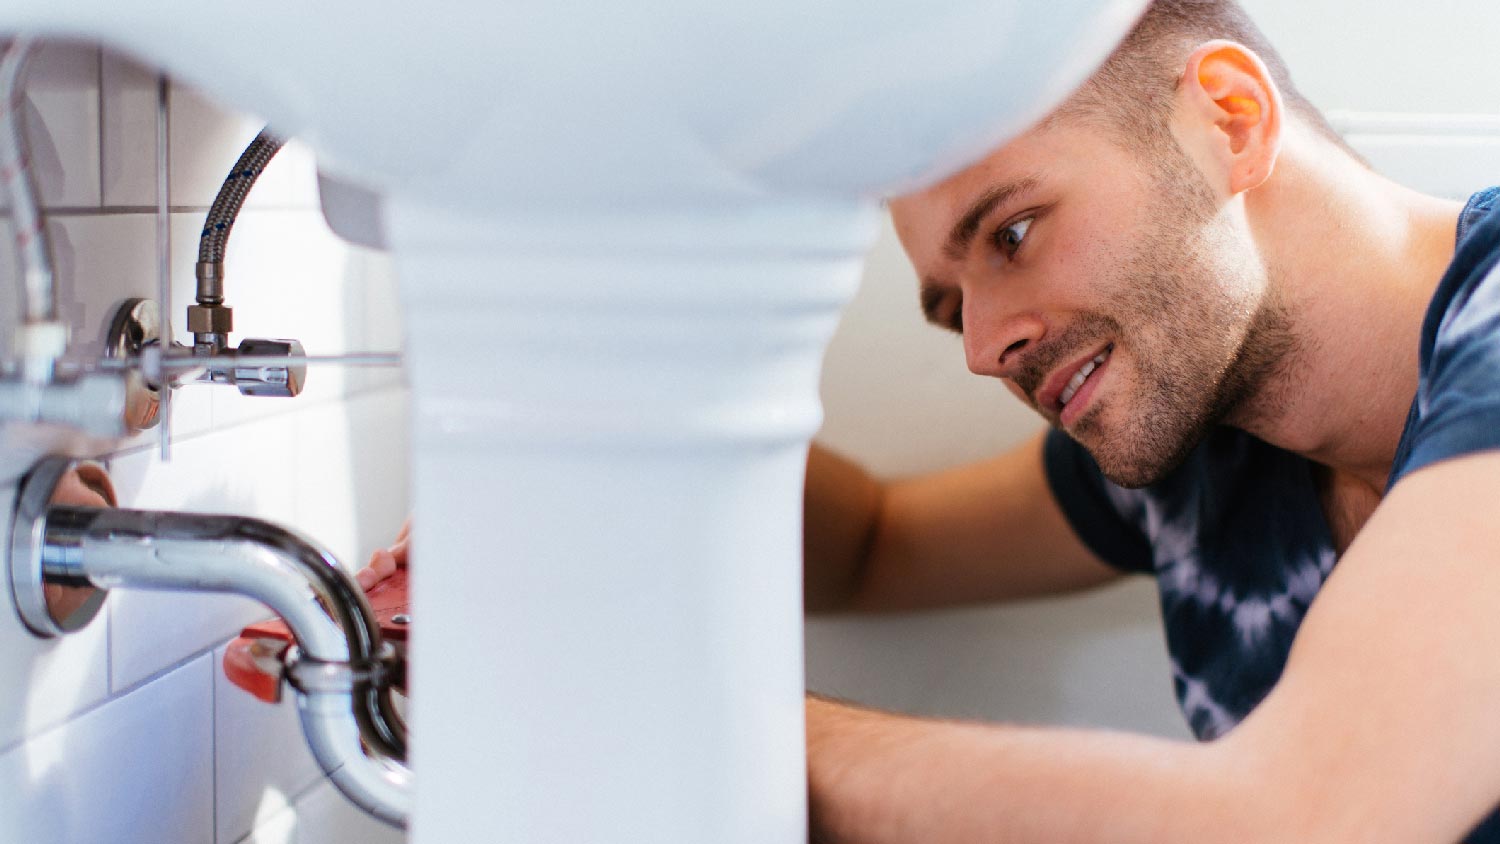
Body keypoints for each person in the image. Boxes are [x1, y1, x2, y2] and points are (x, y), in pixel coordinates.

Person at [801, 0, 1500, 841]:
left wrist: (741, 732)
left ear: (1230, 121)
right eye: (954, 310)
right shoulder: (1200, 443)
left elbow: (1312, 818)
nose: (984, 350)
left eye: (1012, 234)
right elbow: (878, 547)